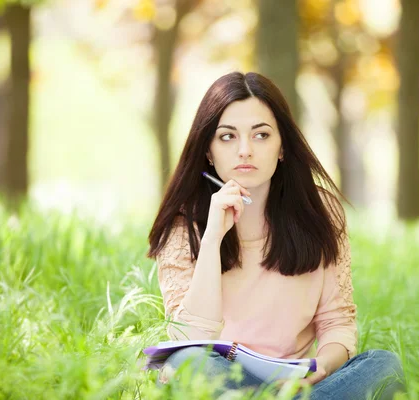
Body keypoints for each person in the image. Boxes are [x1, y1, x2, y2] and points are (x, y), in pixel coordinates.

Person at [147, 71, 405, 399]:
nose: (245, 150)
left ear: (282, 146)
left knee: (383, 365)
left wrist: (320, 368)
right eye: (227, 136)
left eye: (261, 135)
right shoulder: (183, 225)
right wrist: (212, 239)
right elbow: (190, 338)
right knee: (188, 362)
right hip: (224, 379)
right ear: (208, 151)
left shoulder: (320, 211)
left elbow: (337, 322)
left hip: (299, 384)